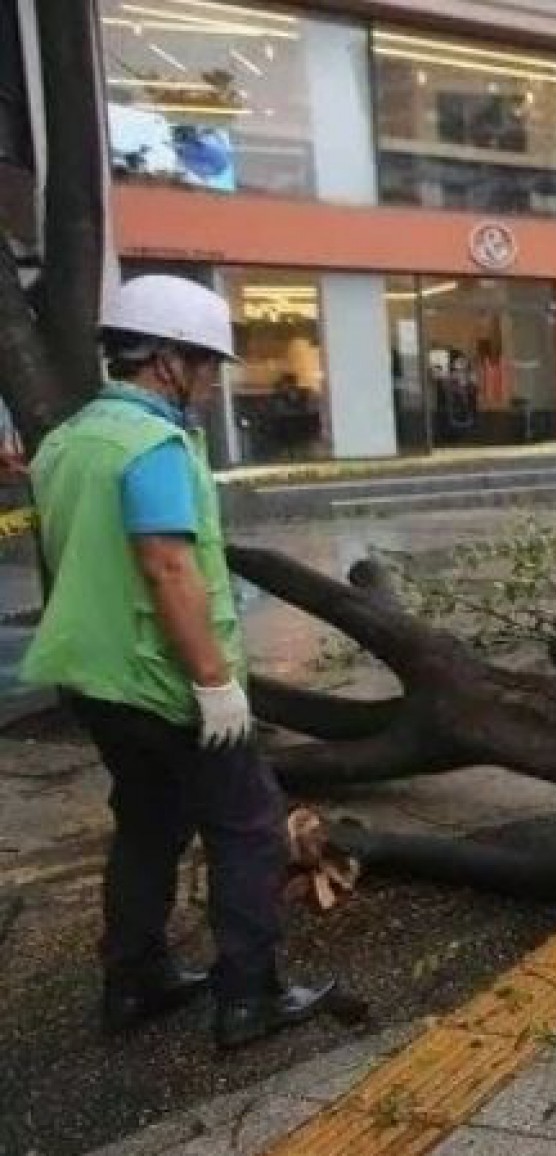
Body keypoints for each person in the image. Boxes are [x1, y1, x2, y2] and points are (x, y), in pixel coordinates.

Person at [22, 275, 338, 1048]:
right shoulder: (155, 445)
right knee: (252, 829)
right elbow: (166, 566)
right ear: (166, 361)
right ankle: (249, 998)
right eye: (205, 365)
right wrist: (214, 684)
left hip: (93, 679)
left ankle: (133, 981)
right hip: (166, 681)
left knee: (147, 826)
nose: (209, 382)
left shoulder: (65, 443)